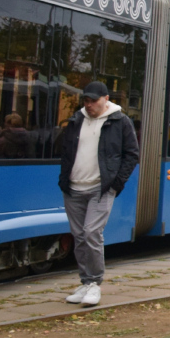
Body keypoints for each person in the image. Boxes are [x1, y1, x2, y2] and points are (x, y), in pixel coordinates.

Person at [57, 82, 139, 307]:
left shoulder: (120, 121)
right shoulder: (76, 120)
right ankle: (85, 282)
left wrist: (115, 184)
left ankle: (94, 284)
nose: (89, 104)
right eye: (86, 100)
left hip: (101, 188)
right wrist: (63, 179)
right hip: (73, 188)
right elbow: (65, 150)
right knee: (79, 236)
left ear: (106, 98)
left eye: (93, 100)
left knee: (92, 232)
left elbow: (132, 155)